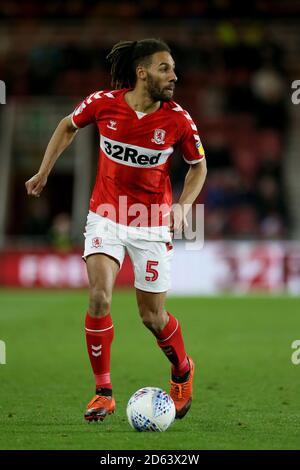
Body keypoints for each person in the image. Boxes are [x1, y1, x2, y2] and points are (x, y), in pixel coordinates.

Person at [25, 38, 207, 422]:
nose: (174, 75)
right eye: (165, 68)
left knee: (152, 317)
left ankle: (182, 370)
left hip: (152, 224)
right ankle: (103, 392)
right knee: (99, 298)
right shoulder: (103, 103)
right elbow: (66, 126)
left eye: (174, 68)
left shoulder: (178, 120)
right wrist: (44, 171)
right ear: (142, 73)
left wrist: (183, 206)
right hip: (105, 215)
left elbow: (198, 166)